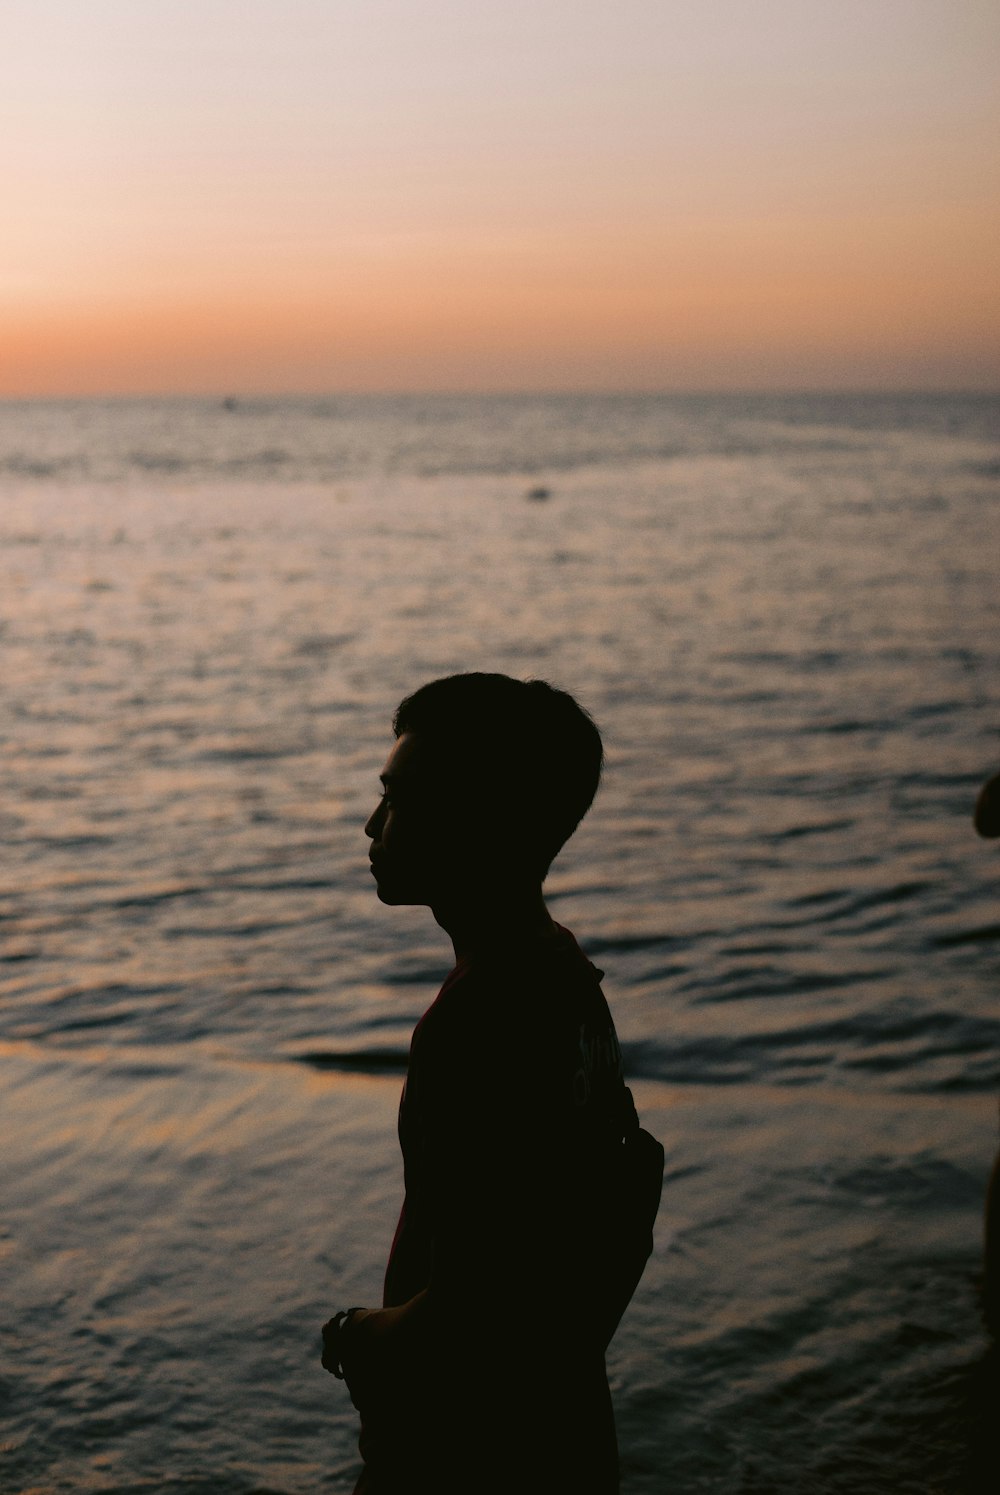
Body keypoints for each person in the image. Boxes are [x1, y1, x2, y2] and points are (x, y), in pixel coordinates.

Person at [321, 673, 662, 1494]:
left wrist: (352, 1336)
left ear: (474, 821)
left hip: (467, 1449)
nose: (372, 824)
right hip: (562, 1425)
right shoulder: (566, 977)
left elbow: (469, 1310)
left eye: (397, 801)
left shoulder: (479, 1018)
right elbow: (626, 1195)